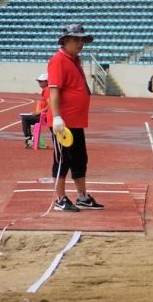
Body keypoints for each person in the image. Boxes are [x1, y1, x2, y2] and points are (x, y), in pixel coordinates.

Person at [47, 24, 103, 211]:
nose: (80, 43)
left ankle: (82, 197)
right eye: (76, 40)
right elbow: (54, 90)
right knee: (63, 159)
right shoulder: (58, 60)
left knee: (80, 158)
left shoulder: (74, 60)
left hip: (76, 121)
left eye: (82, 40)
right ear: (65, 41)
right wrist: (56, 117)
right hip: (63, 122)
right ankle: (60, 198)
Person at [21, 73, 50, 148]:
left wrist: (40, 112)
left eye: (41, 81)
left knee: (25, 118)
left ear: (47, 82)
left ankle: (29, 138)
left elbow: (51, 104)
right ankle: (30, 138)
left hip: (45, 117)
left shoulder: (47, 90)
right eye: (39, 81)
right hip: (44, 116)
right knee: (26, 117)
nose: (39, 83)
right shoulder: (46, 90)